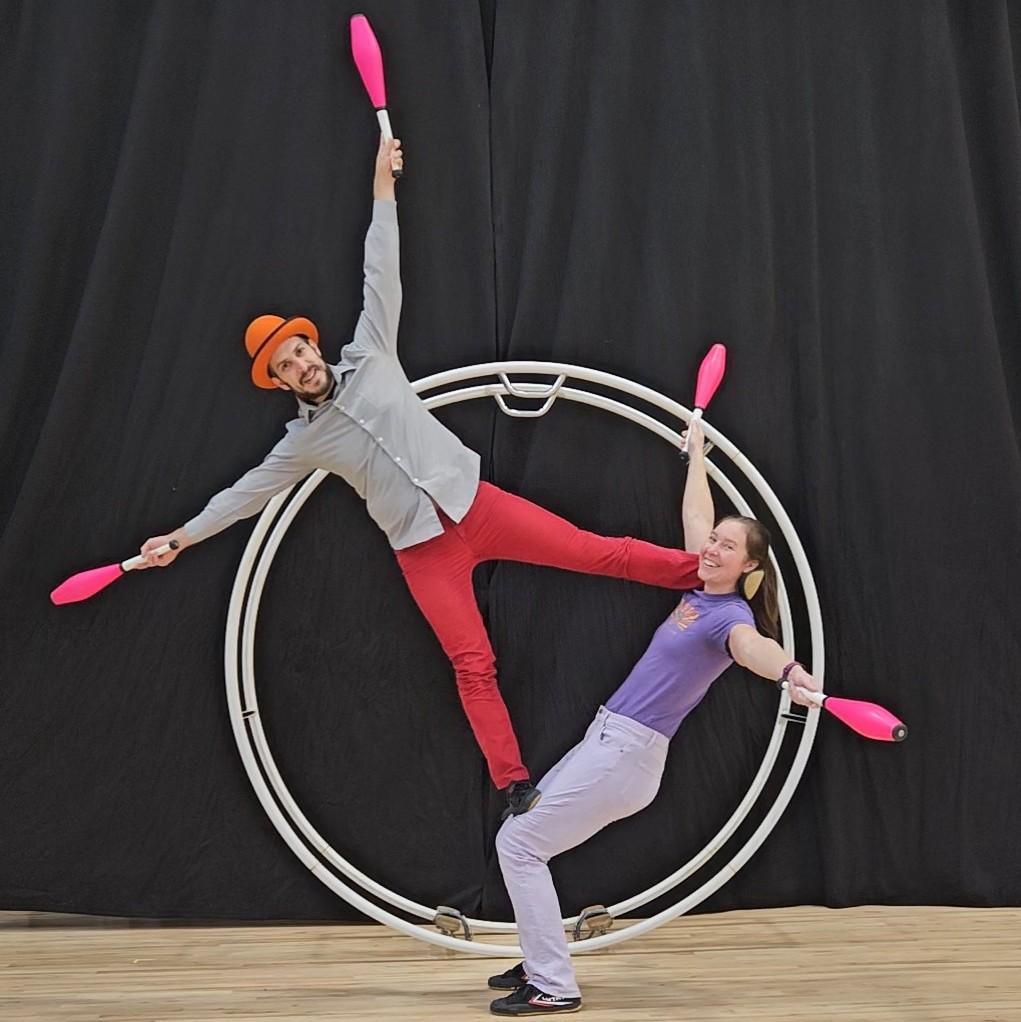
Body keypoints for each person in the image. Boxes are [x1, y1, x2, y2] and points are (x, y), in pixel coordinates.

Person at [136, 135, 703, 818]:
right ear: (278, 381)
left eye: (299, 350)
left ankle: (697, 574)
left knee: (594, 551)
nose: (300, 366)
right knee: (472, 663)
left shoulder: (370, 352)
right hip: (422, 551)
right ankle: (512, 785)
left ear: (312, 344)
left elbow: (382, 269)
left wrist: (383, 185)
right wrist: (182, 537)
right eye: (285, 366)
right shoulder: (303, 442)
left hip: (477, 505)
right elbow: (246, 494)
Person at [486, 419, 822, 1016]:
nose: (711, 548)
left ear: (749, 570)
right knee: (525, 838)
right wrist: (697, 453)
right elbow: (697, 517)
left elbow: (753, 649)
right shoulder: (699, 589)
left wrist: (789, 672)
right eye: (713, 541)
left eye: (726, 547)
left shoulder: (729, 619)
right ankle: (542, 953)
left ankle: (554, 985)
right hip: (608, 740)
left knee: (518, 845)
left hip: (625, 756)